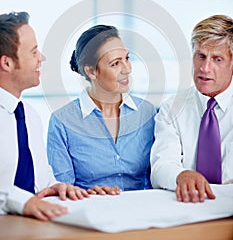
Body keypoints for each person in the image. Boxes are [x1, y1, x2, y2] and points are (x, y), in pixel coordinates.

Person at [0, 11, 91, 221]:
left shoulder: (29, 116)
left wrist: (54, 186)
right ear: (7, 63)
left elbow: (37, 179)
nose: (41, 58)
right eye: (33, 52)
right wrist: (21, 201)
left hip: (37, 225)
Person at [47, 25, 156, 193]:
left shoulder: (147, 113)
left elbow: (156, 177)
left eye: (127, 58)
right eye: (115, 64)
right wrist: (86, 195)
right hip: (88, 210)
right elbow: (62, 188)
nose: (127, 69)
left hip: (141, 209)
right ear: (91, 72)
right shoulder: (62, 121)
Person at [150, 14, 233, 203]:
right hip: (190, 206)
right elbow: (161, 166)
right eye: (201, 56)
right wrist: (182, 176)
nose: (205, 68)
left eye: (217, 59)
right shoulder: (172, 108)